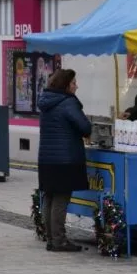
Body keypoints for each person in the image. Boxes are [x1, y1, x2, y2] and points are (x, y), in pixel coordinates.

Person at [38, 69, 91, 252]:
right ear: (66, 85)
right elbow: (84, 127)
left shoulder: (46, 101)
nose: (77, 86)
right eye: (74, 83)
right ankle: (59, 240)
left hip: (47, 158)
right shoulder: (68, 102)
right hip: (64, 159)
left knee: (49, 197)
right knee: (61, 199)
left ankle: (51, 238)